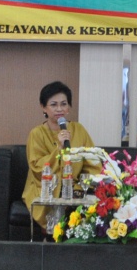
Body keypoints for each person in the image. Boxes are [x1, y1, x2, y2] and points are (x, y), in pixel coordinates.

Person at [22, 80, 100, 232]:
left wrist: (81, 186)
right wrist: (59, 148)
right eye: (53, 105)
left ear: (69, 107)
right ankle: (52, 237)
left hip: (75, 187)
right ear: (43, 107)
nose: (59, 109)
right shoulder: (36, 134)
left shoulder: (79, 129)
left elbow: (92, 163)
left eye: (64, 104)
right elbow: (37, 167)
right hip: (45, 187)